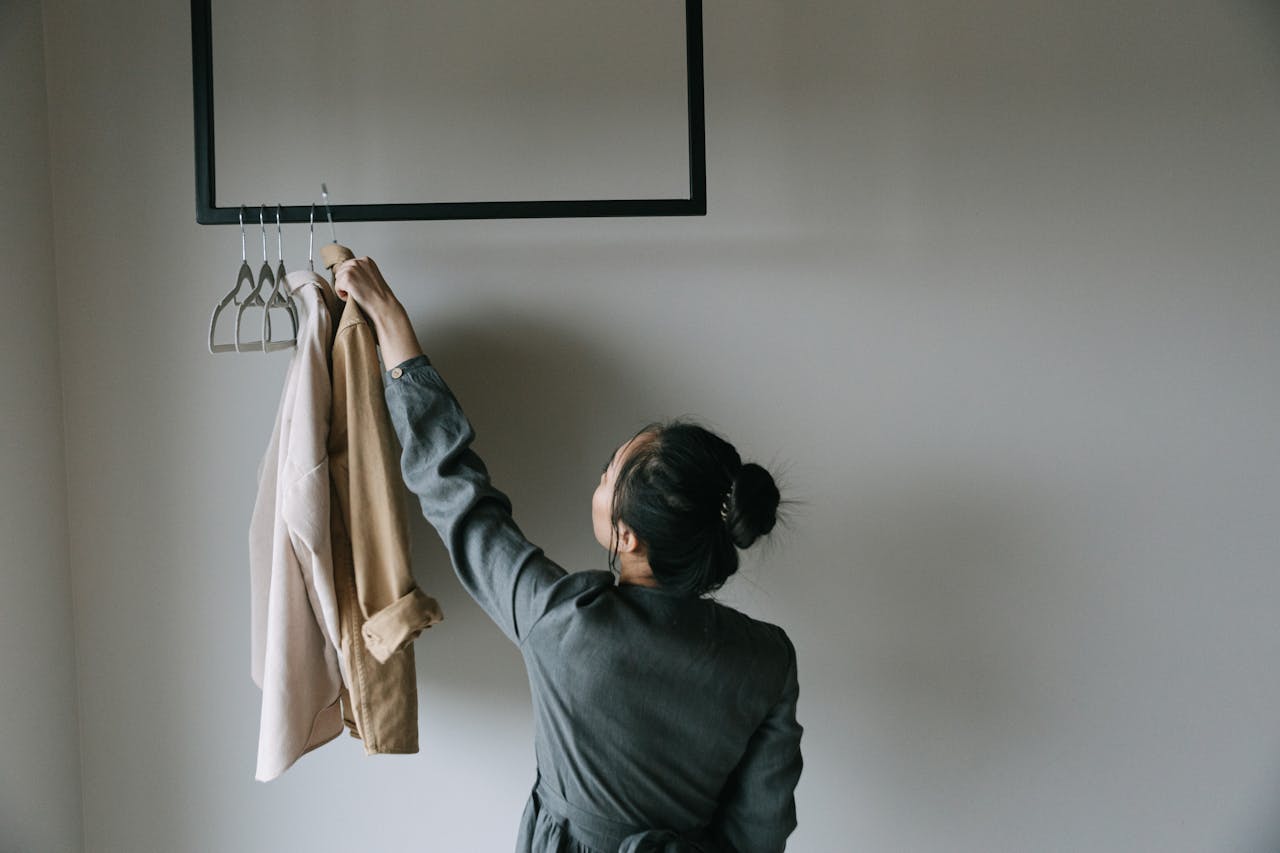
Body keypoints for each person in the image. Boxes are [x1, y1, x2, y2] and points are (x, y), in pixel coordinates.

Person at [336, 257, 804, 853]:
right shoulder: (768, 658)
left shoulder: (566, 620)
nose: (600, 477)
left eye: (608, 475)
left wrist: (392, 325)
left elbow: (461, 502)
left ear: (627, 537)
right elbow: (760, 833)